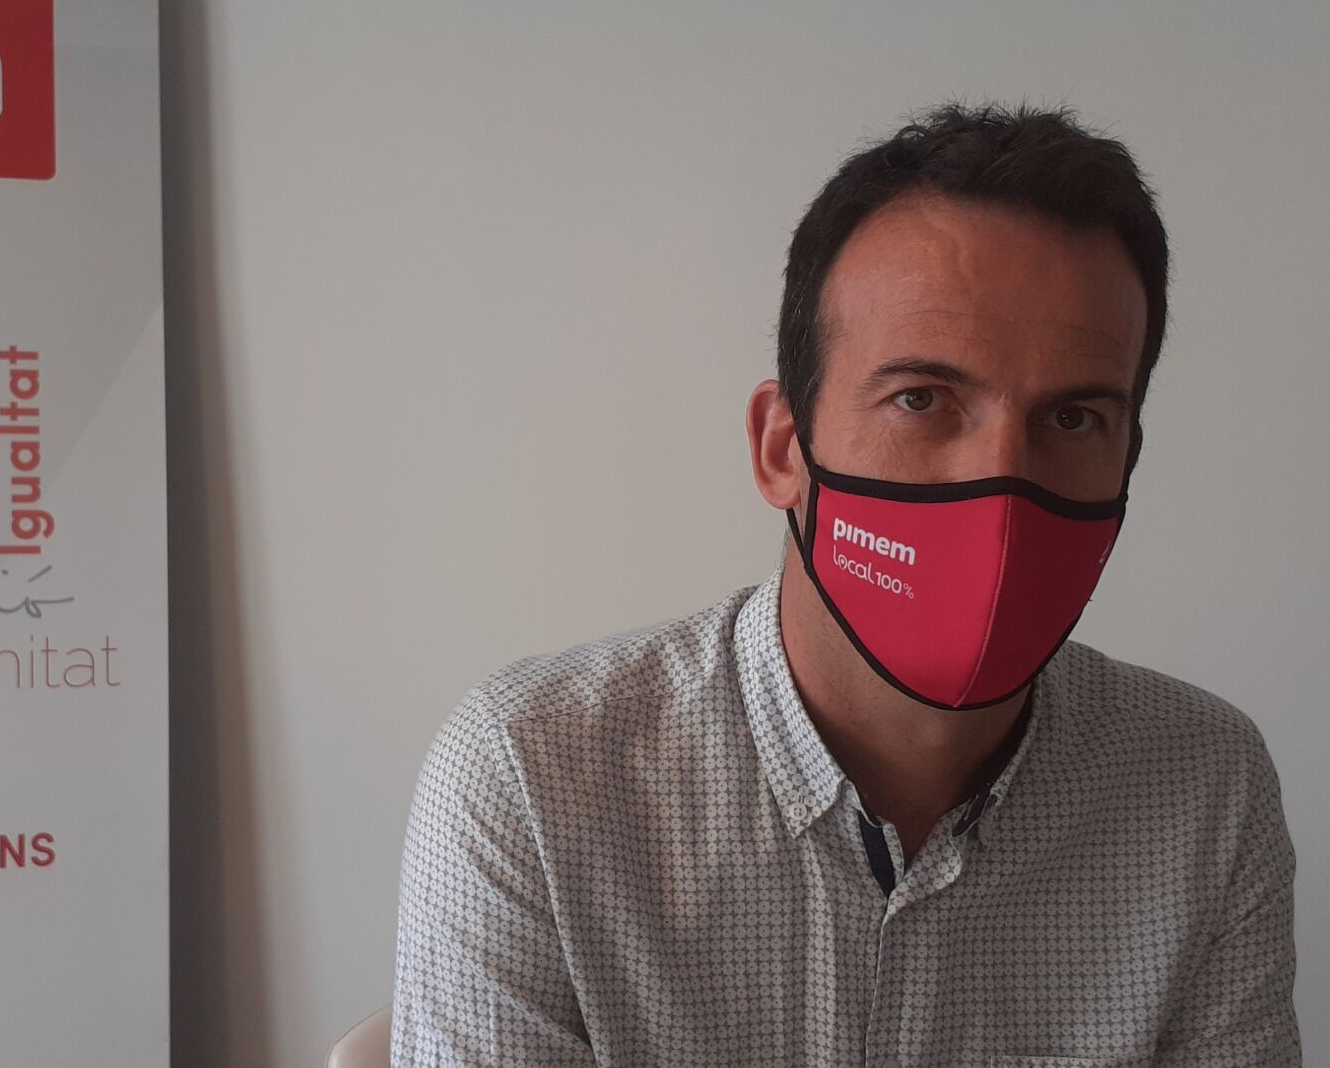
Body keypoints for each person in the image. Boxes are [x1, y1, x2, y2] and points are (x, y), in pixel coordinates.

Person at [390, 102, 1299, 1067]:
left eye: (1072, 419)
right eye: (921, 399)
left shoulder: (1205, 789)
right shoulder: (535, 783)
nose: (1000, 485)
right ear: (784, 448)